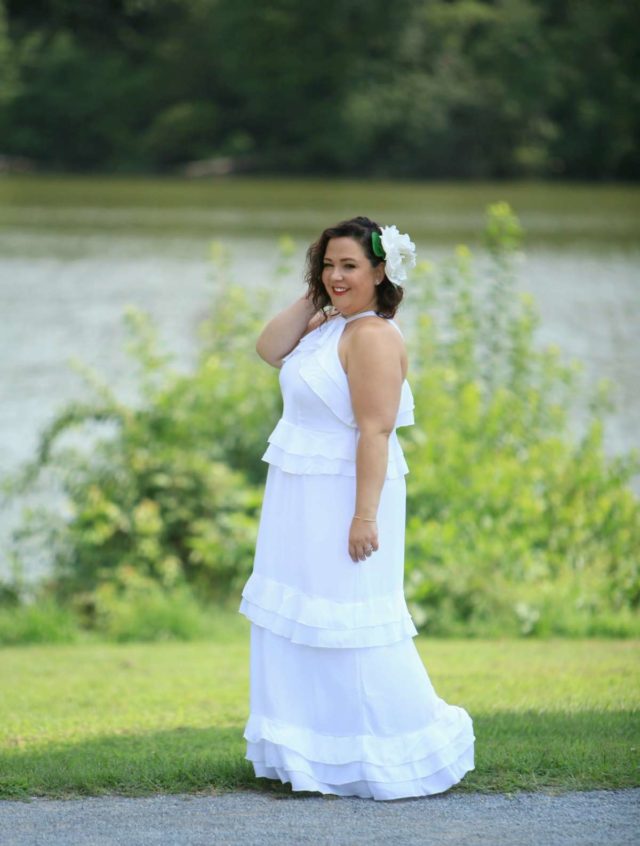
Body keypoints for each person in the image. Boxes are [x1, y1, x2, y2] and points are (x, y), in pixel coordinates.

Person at [238, 216, 475, 800]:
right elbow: (269, 348)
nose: (336, 275)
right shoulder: (327, 325)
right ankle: (311, 753)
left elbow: (375, 431)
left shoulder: (372, 337)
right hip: (300, 494)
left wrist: (364, 517)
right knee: (299, 616)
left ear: (381, 271)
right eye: (328, 264)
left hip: (345, 496)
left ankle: (384, 750)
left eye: (350, 265)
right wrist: (319, 297)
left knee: (347, 620)